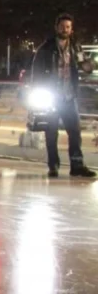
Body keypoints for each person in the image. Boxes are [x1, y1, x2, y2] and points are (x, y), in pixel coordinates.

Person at [30, 13, 96, 178]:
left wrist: (91, 64)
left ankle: (77, 165)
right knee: (51, 132)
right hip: (52, 97)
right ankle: (53, 166)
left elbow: (84, 66)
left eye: (68, 27)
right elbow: (36, 73)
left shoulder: (75, 48)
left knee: (75, 131)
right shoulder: (46, 48)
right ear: (56, 28)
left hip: (69, 96)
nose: (64, 30)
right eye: (62, 26)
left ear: (71, 29)